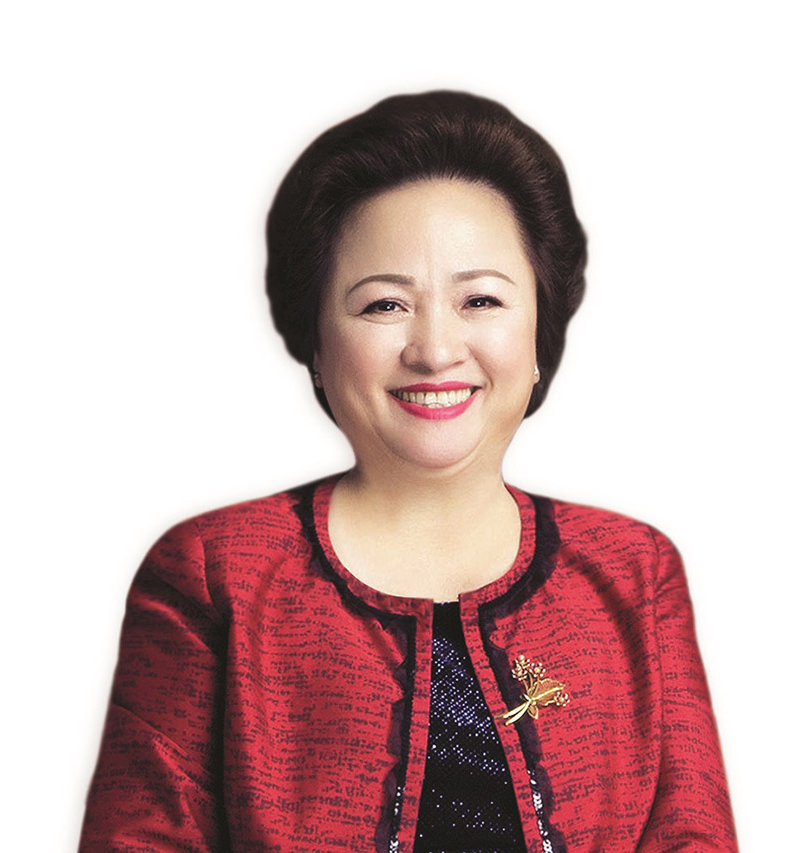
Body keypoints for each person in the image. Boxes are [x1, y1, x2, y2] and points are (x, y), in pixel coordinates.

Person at [78, 91, 737, 851]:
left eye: (480, 299)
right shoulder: (213, 572)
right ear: (316, 344)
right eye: (385, 305)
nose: (435, 350)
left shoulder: (633, 571)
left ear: (539, 335)